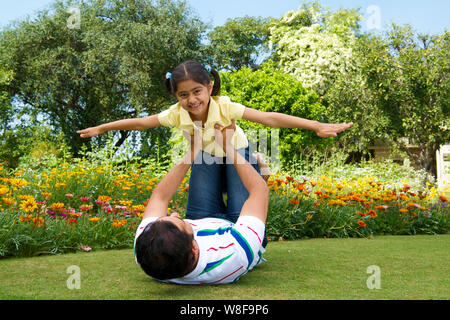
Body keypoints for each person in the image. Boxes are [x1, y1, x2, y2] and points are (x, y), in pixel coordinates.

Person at [77, 60, 353, 225]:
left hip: (237, 153)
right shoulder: (176, 114)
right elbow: (141, 122)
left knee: (238, 211)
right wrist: (102, 127)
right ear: (176, 96)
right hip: (205, 156)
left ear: (209, 87)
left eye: (197, 91)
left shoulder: (226, 107)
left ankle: (256, 170)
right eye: (183, 94)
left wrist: (315, 125)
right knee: (199, 214)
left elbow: (268, 119)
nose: (191, 100)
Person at [134, 122, 269, 284]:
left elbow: (160, 197)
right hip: (237, 227)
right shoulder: (235, 254)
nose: (175, 213)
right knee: (238, 151)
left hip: (202, 218)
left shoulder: (147, 248)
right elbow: (259, 192)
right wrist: (227, 146)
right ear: (195, 248)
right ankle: (257, 166)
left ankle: (247, 162)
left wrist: (193, 150)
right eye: (180, 221)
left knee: (206, 151)